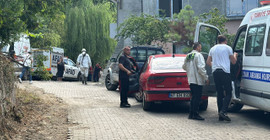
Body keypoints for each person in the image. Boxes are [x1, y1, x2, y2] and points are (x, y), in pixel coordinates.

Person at [206, 35, 238, 122]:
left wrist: (215, 66)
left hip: (216, 72)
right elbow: (234, 62)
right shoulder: (228, 48)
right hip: (225, 72)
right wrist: (235, 55)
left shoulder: (212, 48)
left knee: (219, 93)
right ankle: (223, 111)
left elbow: (208, 62)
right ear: (225, 41)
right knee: (228, 93)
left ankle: (220, 115)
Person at [182, 42, 209, 121]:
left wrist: (190, 70)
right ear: (197, 47)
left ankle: (191, 114)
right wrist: (206, 78)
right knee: (197, 98)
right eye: (200, 47)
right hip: (197, 80)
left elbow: (184, 66)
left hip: (190, 79)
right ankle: (195, 114)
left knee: (193, 97)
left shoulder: (188, 55)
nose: (201, 49)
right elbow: (201, 68)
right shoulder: (199, 55)